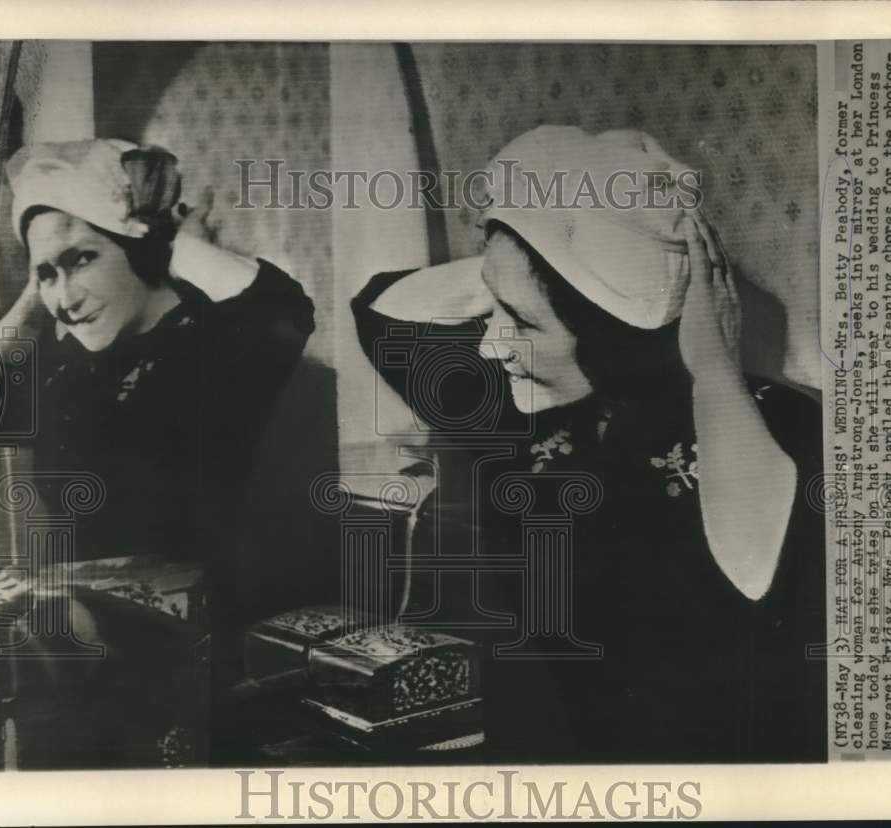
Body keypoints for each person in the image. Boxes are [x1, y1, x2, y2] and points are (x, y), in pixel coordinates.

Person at [352, 126, 826, 762]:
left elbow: (750, 574)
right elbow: (381, 310)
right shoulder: (517, 417)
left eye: (519, 322)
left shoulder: (777, 427)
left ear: (610, 333)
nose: (491, 343)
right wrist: (533, 245)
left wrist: (703, 351)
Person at [0, 139, 316, 765]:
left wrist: (182, 248)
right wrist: (29, 298)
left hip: (199, 648)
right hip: (85, 638)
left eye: (82, 260)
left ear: (136, 247)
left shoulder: (208, 344)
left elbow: (286, 309)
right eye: (47, 274)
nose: (64, 298)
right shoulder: (68, 366)